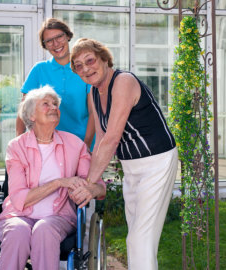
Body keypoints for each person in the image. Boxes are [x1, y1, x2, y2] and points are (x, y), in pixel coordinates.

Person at [69, 38, 178, 270]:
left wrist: (89, 184)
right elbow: (100, 140)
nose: (86, 68)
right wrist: (92, 181)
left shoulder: (124, 81)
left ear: (104, 59)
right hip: (131, 166)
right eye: (79, 65)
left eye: (90, 60)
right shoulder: (94, 94)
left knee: (140, 238)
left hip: (157, 161)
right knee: (138, 235)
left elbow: (112, 138)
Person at [0, 86, 106, 270]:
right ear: (31, 115)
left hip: (58, 217)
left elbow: (98, 186)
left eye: (55, 104)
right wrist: (59, 182)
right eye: (46, 104)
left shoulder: (75, 145)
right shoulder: (17, 147)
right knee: (17, 231)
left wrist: (88, 190)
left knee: (44, 230)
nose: (53, 107)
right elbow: (19, 198)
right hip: (18, 215)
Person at [16, 18, 94, 150]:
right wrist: (18, 144)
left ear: (68, 36)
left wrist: (86, 145)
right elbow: (24, 111)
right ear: (45, 45)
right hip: (46, 144)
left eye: (59, 37)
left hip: (81, 142)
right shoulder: (39, 70)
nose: (55, 43)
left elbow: (94, 112)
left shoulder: (83, 68)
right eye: (49, 41)